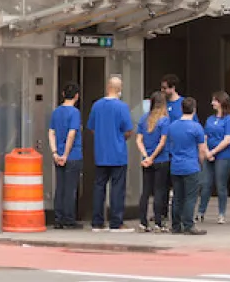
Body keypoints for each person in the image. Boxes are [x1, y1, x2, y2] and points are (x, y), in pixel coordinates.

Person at [86, 75, 133, 232]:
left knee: (99, 187)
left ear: (107, 87)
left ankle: (97, 222)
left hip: (101, 153)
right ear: (119, 89)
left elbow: (92, 128)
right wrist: (120, 138)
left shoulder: (96, 106)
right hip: (118, 153)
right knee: (117, 189)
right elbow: (128, 130)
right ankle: (116, 222)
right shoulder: (122, 107)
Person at [168, 96, 208, 235]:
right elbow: (202, 150)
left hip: (175, 165)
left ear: (181, 108)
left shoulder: (173, 126)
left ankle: (175, 225)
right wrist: (200, 163)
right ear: (194, 110)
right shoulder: (196, 127)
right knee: (190, 197)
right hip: (191, 165)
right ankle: (188, 225)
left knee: (177, 197)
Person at [198, 91, 230, 224]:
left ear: (221, 102)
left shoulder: (229, 119)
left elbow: (227, 140)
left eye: (215, 100)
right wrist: (206, 152)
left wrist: (213, 152)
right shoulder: (210, 119)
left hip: (224, 155)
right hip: (209, 154)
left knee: (221, 185)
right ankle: (201, 212)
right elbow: (204, 136)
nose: (212, 103)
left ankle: (221, 213)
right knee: (205, 184)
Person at [48, 82, 82, 230]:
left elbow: (51, 132)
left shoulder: (56, 112)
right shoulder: (75, 113)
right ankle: (69, 219)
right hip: (72, 155)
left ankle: (58, 218)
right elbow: (71, 134)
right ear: (77, 96)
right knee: (70, 188)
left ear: (63, 94)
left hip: (58, 155)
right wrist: (66, 155)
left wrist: (55, 152)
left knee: (60, 187)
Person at [135, 91, 170, 232]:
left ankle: (143, 222)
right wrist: (153, 157)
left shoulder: (144, 118)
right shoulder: (164, 120)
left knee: (145, 191)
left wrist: (146, 156)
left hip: (146, 161)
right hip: (161, 159)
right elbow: (162, 142)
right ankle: (158, 222)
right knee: (159, 191)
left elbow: (139, 140)